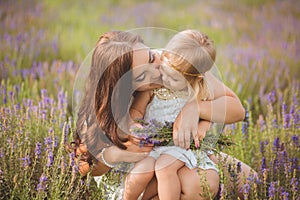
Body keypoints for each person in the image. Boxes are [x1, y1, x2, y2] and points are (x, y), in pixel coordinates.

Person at [72, 30, 256, 199]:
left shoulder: (173, 62)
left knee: (253, 182)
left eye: (151, 57)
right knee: (195, 183)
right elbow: (83, 167)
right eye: (142, 77)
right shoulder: (106, 103)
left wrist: (196, 108)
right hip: (133, 176)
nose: (158, 72)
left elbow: (237, 110)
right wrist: (117, 154)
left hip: (179, 152)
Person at [124, 30, 220, 200]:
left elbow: (208, 116)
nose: (165, 80)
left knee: (164, 168)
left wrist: (202, 128)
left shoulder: (197, 90)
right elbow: (137, 111)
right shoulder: (154, 88)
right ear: (165, 56)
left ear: (195, 79)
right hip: (152, 144)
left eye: (173, 79)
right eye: (164, 72)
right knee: (141, 171)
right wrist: (135, 125)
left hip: (179, 146)